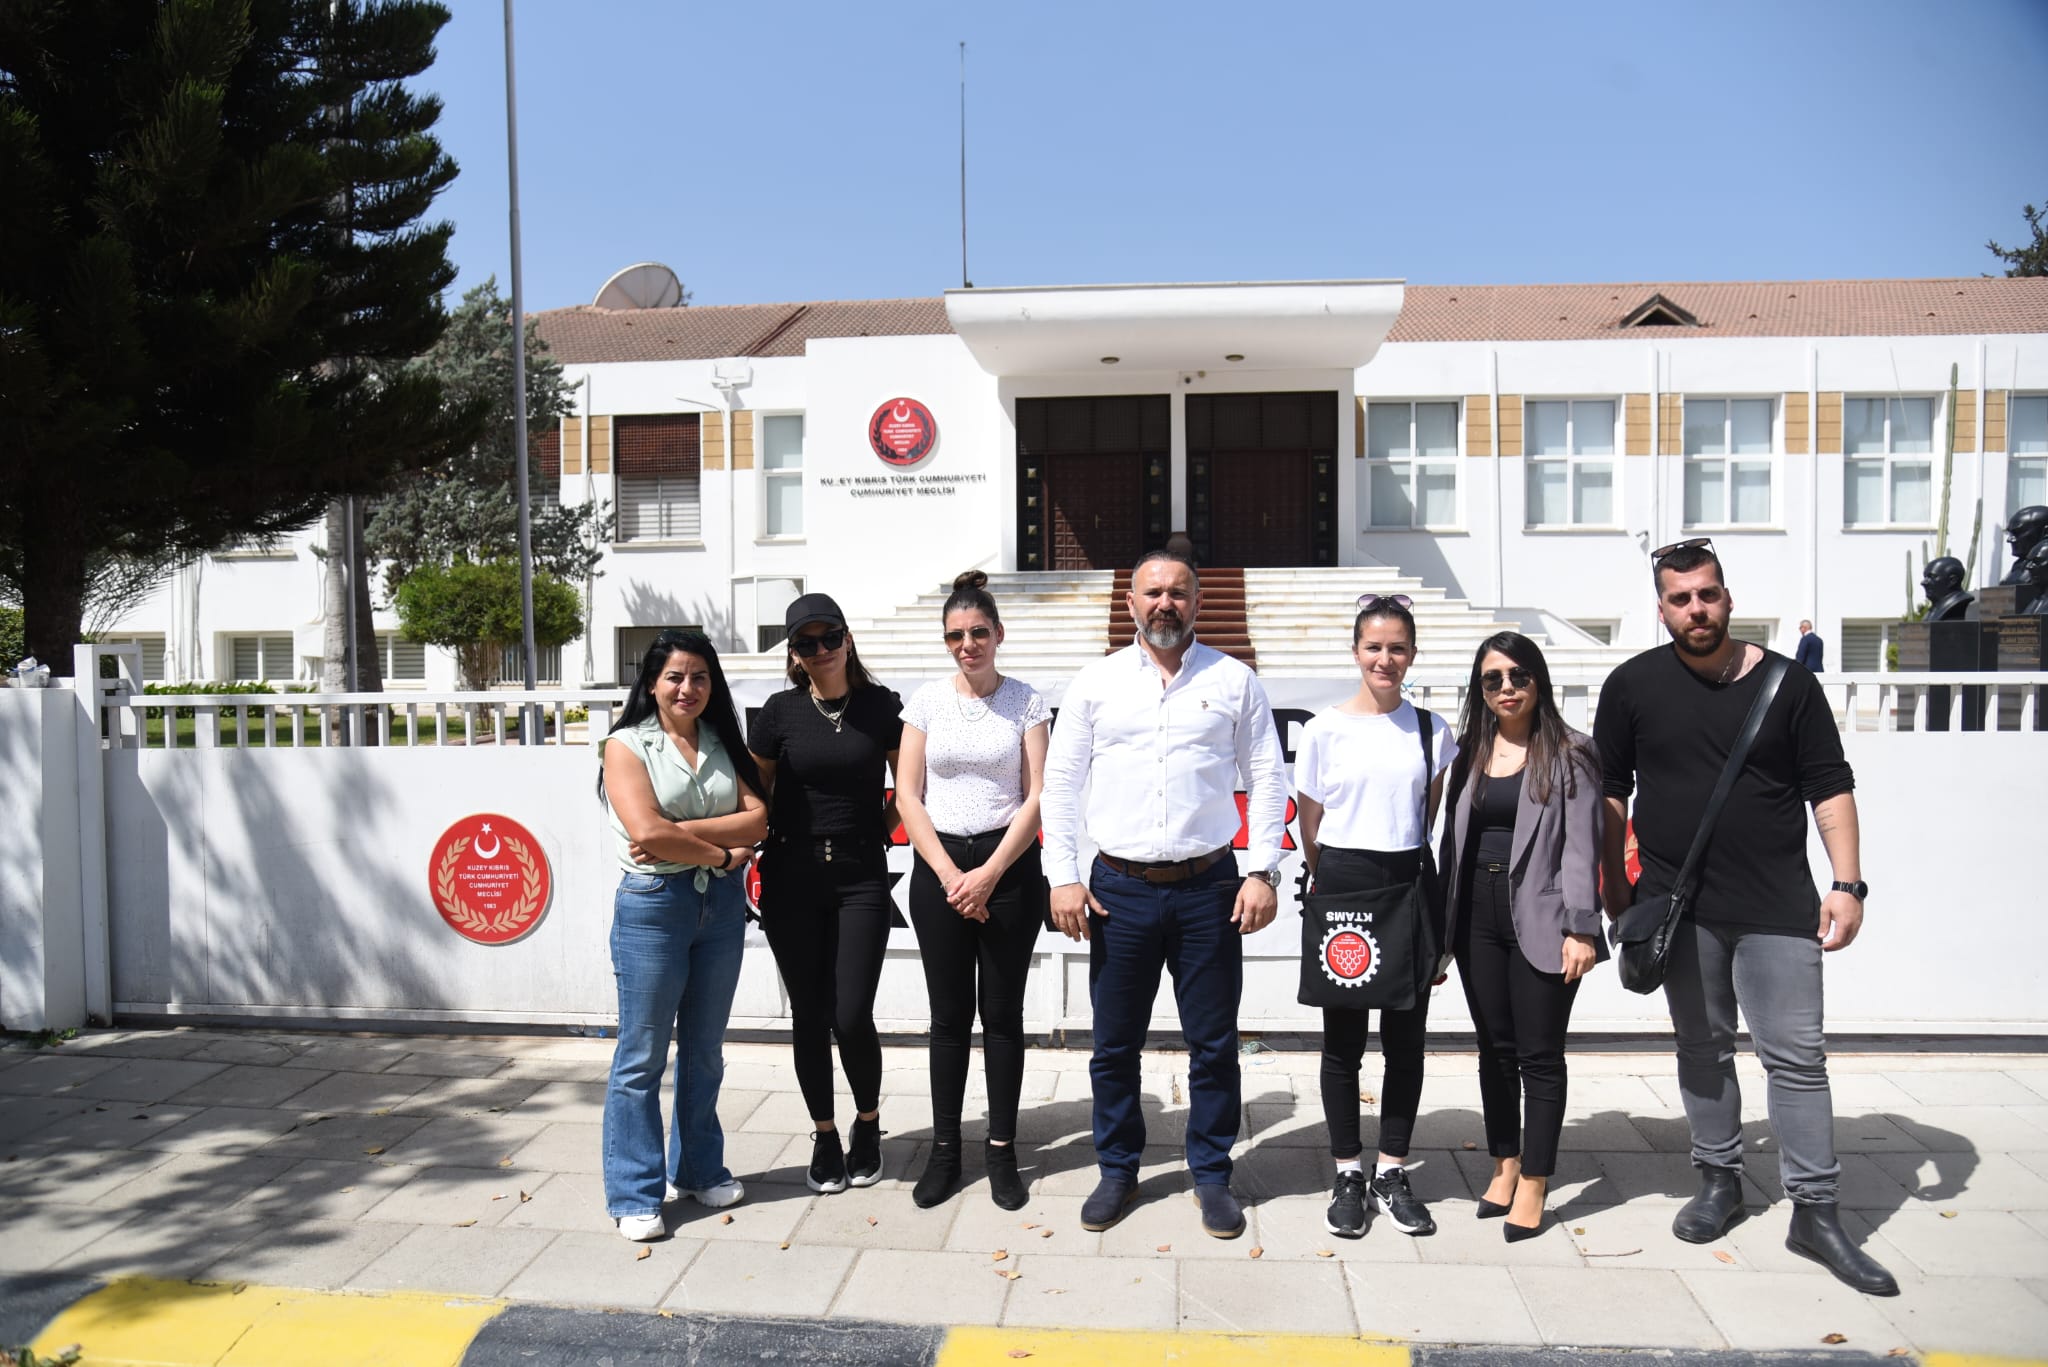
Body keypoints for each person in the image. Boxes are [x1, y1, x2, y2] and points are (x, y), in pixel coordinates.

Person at [1595, 539, 1898, 1296]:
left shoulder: (1789, 684)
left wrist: (1848, 883)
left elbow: (1829, 784)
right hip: (1679, 907)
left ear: (1727, 598)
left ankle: (1816, 1211)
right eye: (1680, 598)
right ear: (1661, 608)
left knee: (1796, 1057)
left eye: (1707, 594)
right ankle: (1719, 1181)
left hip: (1777, 905)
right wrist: (1614, 889)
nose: (1696, 609)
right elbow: (1610, 792)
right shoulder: (1632, 685)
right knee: (1702, 1048)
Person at [1042, 548, 1287, 1240]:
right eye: (1152, 592)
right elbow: (1059, 783)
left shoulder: (1234, 681)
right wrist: (1062, 875)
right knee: (1113, 1044)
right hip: (1118, 890)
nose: (1164, 604)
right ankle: (1118, 1167)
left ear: (1197, 601)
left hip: (1209, 889)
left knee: (1213, 1042)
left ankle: (1211, 1173)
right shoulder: (1096, 683)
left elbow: (1268, 777)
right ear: (1131, 603)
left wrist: (1263, 870)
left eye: (1178, 592)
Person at [1293, 593, 1457, 1240]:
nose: (1384, 659)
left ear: (1411, 654)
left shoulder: (1432, 731)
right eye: (1373, 647)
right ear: (1356, 650)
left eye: (1396, 648)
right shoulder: (1323, 729)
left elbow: (1428, 816)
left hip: (1408, 886)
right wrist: (1335, 880)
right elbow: (1310, 825)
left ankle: (1391, 1169)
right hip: (1343, 885)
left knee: (1406, 1041)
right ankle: (1347, 1173)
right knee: (1342, 1044)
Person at [597, 632, 768, 1241]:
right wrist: (722, 854)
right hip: (654, 906)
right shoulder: (625, 745)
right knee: (641, 1056)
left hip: (717, 908)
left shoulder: (721, 740)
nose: (687, 688)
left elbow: (759, 817)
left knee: (704, 1051)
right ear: (652, 683)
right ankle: (634, 1194)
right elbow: (645, 832)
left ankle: (697, 1170)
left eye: (699, 676)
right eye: (674, 676)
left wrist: (683, 832)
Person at [1438, 631, 1605, 1242]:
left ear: (1538, 680)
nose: (1506, 687)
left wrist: (1582, 928)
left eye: (1518, 675)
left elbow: (1584, 848)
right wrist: (1441, 931)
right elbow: (1451, 843)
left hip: (1543, 915)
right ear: (1480, 690)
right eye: (1492, 679)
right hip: (1475, 916)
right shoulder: (1469, 752)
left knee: (1539, 1054)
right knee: (1494, 1049)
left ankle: (1535, 1179)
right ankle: (1504, 1162)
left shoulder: (1572, 752)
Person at [895, 570, 1051, 1210]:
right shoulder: (926, 702)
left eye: (979, 632)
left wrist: (988, 874)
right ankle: (945, 1152)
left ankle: (1002, 1152)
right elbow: (908, 796)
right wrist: (949, 875)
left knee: (1004, 1017)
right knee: (948, 1018)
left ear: (998, 634)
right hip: (939, 871)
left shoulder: (1027, 702)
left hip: (1007, 871)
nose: (968, 645)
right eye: (956, 635)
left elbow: (1037, 795)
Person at [748, 593, 904, 1195]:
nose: (821, 650)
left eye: (829, 637)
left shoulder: (881, 706)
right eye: (806, 643)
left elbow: (907, 790)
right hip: (791, 876)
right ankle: (824, 1134)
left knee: (851, 1013)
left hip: (861, 877)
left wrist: (875, 834)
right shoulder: (778, 713)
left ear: (847, 638)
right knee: (809, 1016)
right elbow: (756, 795)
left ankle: (867, 1124)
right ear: (794, 653)